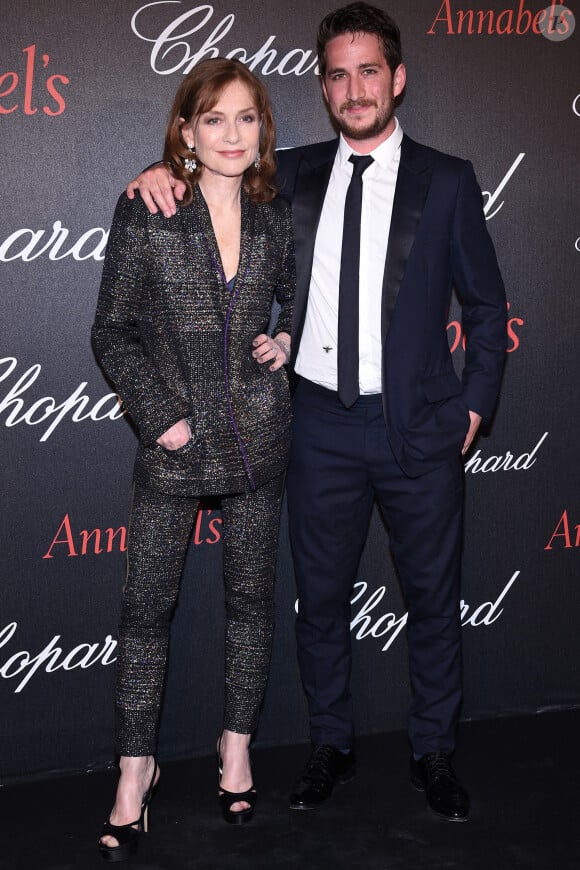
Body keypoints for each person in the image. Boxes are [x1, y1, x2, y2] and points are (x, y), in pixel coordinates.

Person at [126, 2, 507, 824]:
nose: (355, 88)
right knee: (320, 601)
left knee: (435, 602)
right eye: (338, 73)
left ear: (397, 79)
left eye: (370, 70)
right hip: (319, 430)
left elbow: (486, 310)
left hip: (419, 430)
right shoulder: (286, 174)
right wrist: (158, 174)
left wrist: (472, 411)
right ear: (323, 88)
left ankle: (433, 750)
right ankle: (329, 742)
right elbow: (205, 181)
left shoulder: (447, 179)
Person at [92, 57, 295, 860]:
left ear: (263, 129)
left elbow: (299, 305)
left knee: (251, 603)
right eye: (215, 118)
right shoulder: (149, 209)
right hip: (174, 446)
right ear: (186, 129)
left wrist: (281, 339)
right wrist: (161, 414)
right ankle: (134, 770)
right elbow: (112, 330)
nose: (233, 133)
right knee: (145, 611)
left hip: (258, 440)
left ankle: (235, 747)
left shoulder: (277, 215)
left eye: (247, 117)